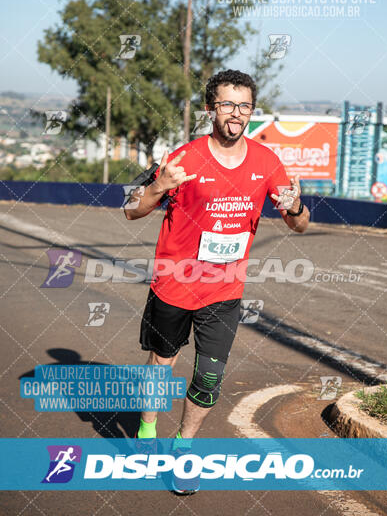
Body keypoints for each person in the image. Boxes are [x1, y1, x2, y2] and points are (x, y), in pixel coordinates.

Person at [124, 69, 310, 493]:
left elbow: (299, 224)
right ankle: (147, 432)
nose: (236, 113)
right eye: (227, 104)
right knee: (162, 365)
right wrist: (158, 188)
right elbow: (131, 208)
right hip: (174, 282)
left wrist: (296, 205)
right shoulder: (183, 157)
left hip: (225, 291)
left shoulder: (267, 162)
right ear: (210, 108)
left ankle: (183, 450)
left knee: (209, 376)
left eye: (244, 106)